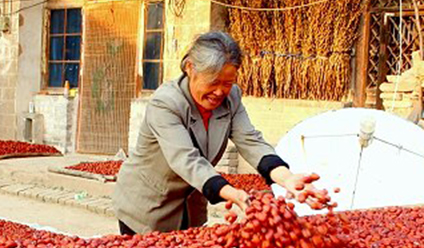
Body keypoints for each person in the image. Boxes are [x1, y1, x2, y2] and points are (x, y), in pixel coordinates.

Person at [113, 31, 329, 235]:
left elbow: (250, 140)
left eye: (228, 83)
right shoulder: (166, 103)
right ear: (190, 68)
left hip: (190, 206)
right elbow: (185, 159)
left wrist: (287, 178)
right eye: (213, 82)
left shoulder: (231, 98)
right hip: (147, 205)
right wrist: (233, 194)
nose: (220, 92)